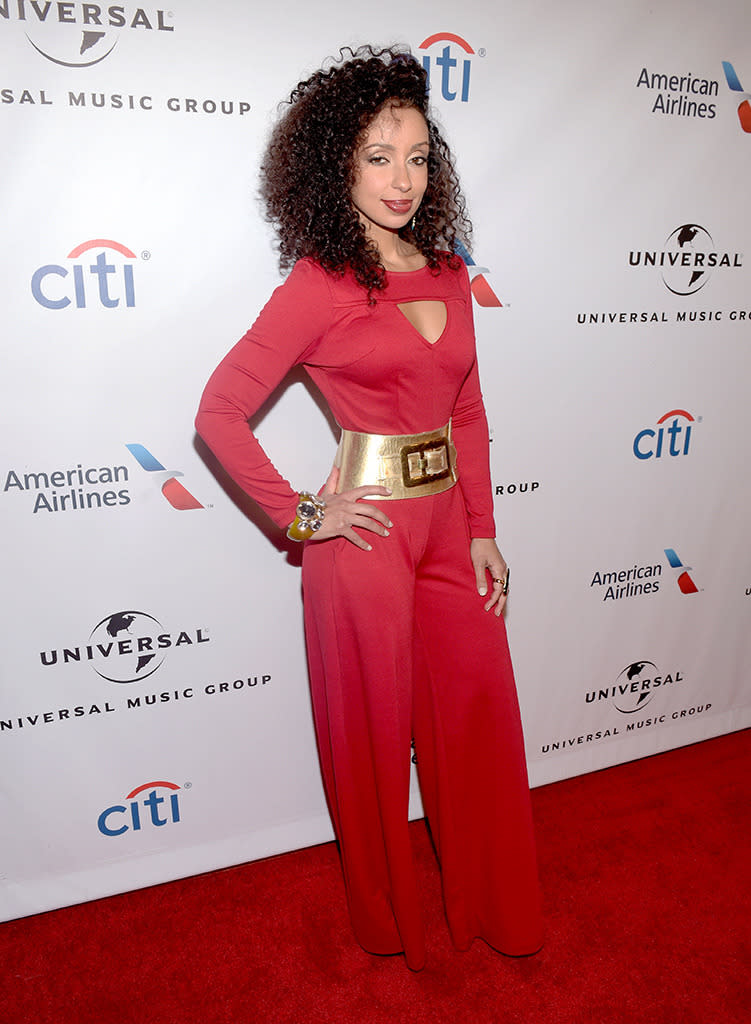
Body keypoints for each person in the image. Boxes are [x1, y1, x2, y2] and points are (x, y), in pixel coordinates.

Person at [195, 45, 543, 971]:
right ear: (336, 164)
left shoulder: (446, 266)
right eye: (379, 157)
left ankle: (493, 910)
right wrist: (302, 518)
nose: (403, 178)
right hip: (367, 536)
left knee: (475, 722)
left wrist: (482, 529)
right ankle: (393, 926)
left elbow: (466, 407)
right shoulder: (319, 283)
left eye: (419, 156)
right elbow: (218, 413)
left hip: (445, 536)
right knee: (376, 744)